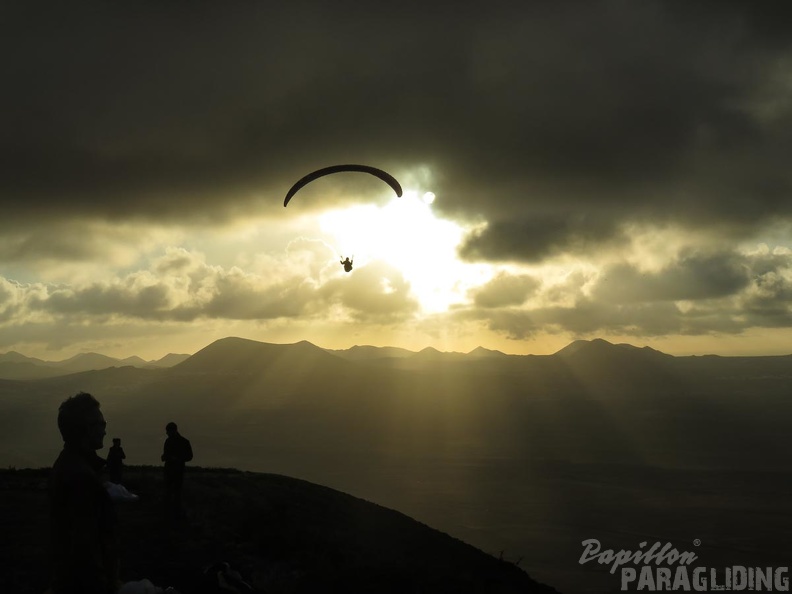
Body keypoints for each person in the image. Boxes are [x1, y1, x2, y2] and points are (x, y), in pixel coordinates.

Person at [49, 392, 121, 594]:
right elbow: (86, 550)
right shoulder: (81, 479)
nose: (105, 431)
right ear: (86, 429)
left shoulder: (68, 466)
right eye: (102, 424)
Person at [161, 422, 193, 524]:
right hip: (171, 471)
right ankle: (171, 515)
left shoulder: (183, 442)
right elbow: (166, 455)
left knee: (175, 494)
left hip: (176, 471)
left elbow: (189, 456)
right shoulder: (170, 441)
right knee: (171, 494)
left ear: (172, 430)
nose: (166, 433)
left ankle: (175, 515)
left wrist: (177, 459)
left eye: (168, 431)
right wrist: (166, 457)